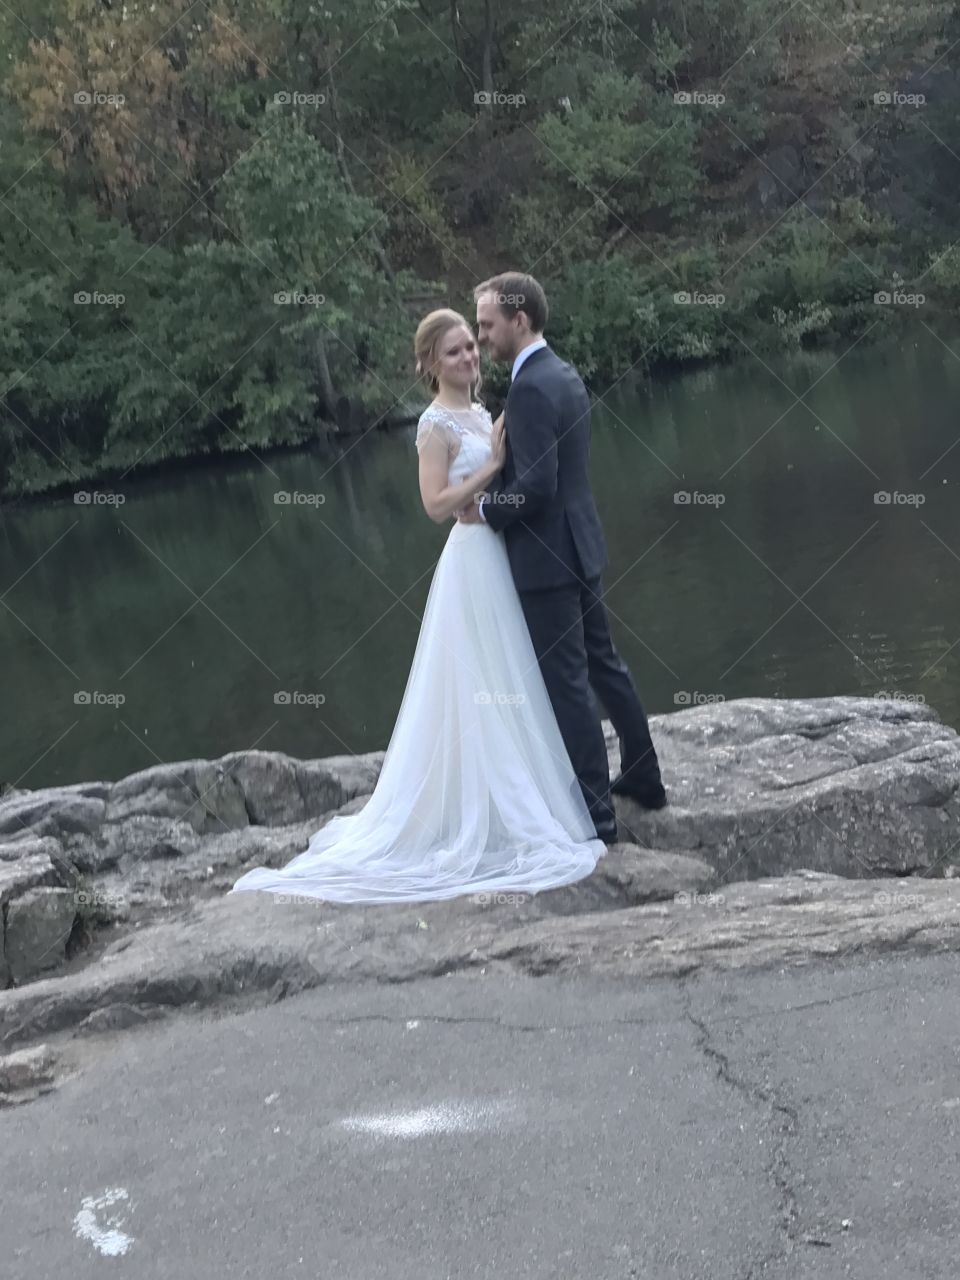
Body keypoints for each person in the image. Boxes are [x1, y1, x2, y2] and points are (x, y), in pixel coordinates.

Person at [229, 308, 605, 904]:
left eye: (471, 348)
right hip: (472, 560)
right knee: (480, 678)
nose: (469, 358)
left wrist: (502, 479)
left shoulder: (482, 412)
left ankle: (525, 792)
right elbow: (435, 506)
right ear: (430, 363)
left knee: (514, 675)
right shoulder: (435, 426)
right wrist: (492, 468)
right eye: (455, 352)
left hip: (503, 555)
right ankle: (482, 808)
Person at [458, 272, 665, 840]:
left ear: (519, 320)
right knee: (604, 663)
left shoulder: (528, 387)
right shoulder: (564, 373)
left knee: (569, 681)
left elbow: (538, 486)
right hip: (582, 545)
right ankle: (645, 777)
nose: (483, 338)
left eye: (487, 325)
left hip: (547, 560)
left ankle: (597, 814)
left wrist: (486, 508)